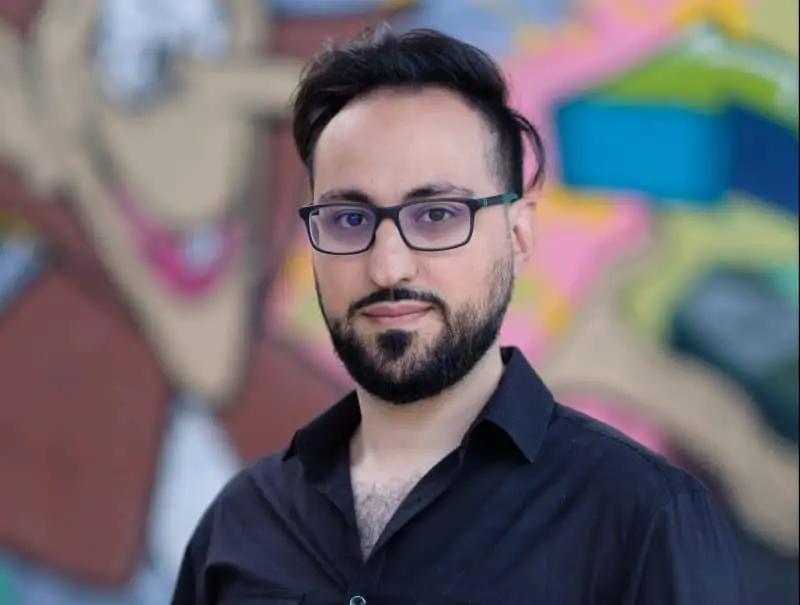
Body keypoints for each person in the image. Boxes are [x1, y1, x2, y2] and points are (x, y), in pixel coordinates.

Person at [170, 24, 745, 604]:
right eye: (348, 219)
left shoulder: (641, 517)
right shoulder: (241, 522)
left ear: (518, 236)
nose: (388, 266)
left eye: (438, 215)